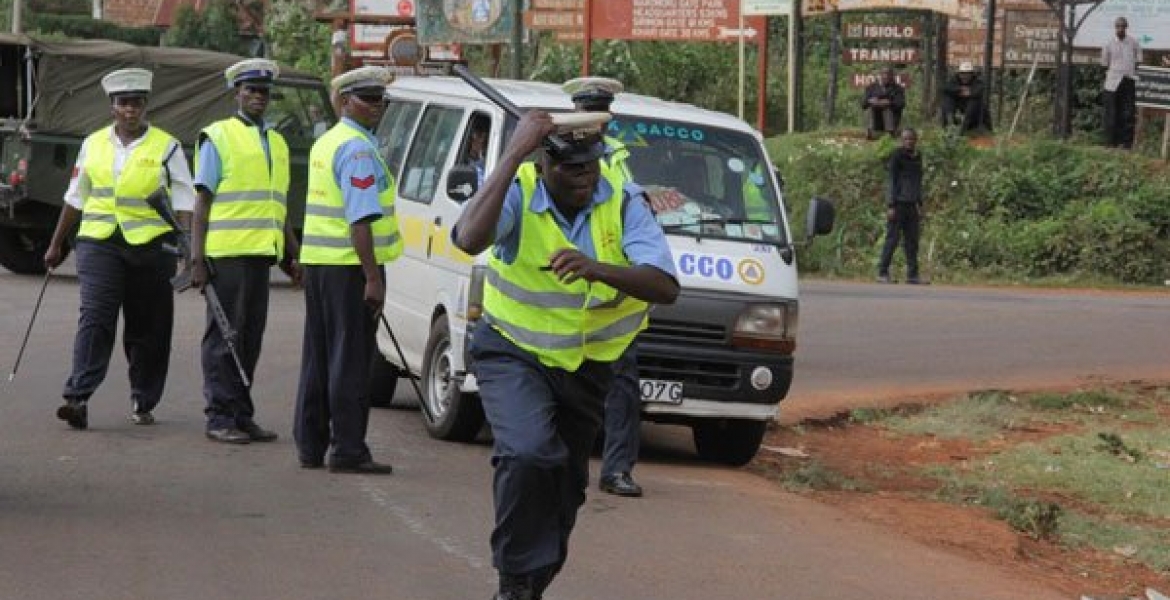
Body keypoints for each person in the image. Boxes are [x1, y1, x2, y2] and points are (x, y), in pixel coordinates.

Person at [452, 109, 679, 600]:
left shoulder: (622, 201)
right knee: (529, 452)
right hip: (513, 352)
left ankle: (530, 582)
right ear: (542, 164)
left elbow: (664, 285)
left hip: (589, 369)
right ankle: (513, 580)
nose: (585, 176)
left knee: (566, 486)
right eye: (571, 167)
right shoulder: (517, 190)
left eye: (591, 164)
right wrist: (513, 152)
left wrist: (597, 269)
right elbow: (469, 239)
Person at [43, 68, 196, 429]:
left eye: (137, 102)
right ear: (112, 106)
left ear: (146, 106)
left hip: (152, 247)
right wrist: (55, 244)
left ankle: (143, 399)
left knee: (149, 328)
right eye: (123, 103)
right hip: (99, 243)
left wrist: (188, 246)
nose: (130, 109)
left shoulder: (167, 146)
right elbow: (76, 197)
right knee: (96, 318)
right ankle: (77, 397)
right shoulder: (93, 144)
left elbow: (186, 199)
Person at [294, 65, 402, 474]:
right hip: (349, 268)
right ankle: (348, 449)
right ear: (344, 102)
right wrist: (373, 277)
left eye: (380, 100)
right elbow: (360, 219)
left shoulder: (328, 141)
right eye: (367, 99)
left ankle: (310, 443)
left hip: (322, 263)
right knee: (351, 361)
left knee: (319, 356)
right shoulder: (357, 149)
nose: (377, 107)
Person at [190, 58, 302, 444]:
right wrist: (196, 258)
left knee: (250, 338)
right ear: (236, 93)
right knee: (224, 337)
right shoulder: (217, 136)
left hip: (260, 255)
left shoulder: (277, 142)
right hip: (226, 255)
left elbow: (279, 204)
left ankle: (240, 412)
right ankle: (218, 416)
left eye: (264, 92)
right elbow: (202, 202)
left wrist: (293, 253)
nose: (258, 97)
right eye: (251, 90)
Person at [563, 75, 649, 498]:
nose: (597, 119)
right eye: (588, 110)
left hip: (611, 293)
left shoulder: (617, 157)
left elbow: (631, 208)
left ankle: (617, 469)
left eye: (603, 111)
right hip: (563, 290)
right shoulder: (552, 149)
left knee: (622, 387)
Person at [877, 128, 925, 285]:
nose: (909, 142)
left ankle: (913, 275)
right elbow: (891, 180)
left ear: (915, 140)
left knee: (912, 241)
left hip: (912, 204)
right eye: (906, 139)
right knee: (892, 239)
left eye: (911, 139)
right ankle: (882, 272)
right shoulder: (897, 156)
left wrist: (920, 203)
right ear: (901, 141)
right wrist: (890, 204)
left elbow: (918, 182)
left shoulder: (918, 157)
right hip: (898, 203)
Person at [1101, 16, 1142, 149]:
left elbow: (1139, 60)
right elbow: (1104, 64)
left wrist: (1130, 72)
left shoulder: (1133, 43)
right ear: (1115, 28)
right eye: (1118, 26)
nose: (1120, 29)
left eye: (1122, 26)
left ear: (1126, 27)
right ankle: (1110, 143)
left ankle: (1126, 144)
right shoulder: (1108, 44)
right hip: (1112, 83)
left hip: (1128, 80)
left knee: (1128, 113)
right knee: (1111, 114)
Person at [941, 62, 991, 134]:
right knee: (947, 99)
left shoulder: (977, 81)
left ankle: (963, 129)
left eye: (968, 74)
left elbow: (979, 90)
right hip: (957, 105)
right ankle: (949, 124)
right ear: (959, 74)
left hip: (973, 111)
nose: (965, 76)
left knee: (975, 100)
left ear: (972, 74)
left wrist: (970, 93)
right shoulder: (954, 79)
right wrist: (960, 90)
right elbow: (946, 88)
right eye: (963, 73)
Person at [860, 67, 905, 140]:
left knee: (886, 108)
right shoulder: (871, 87)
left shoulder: (898, 88)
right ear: (880, 75)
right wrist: (870, 101)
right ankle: (870, 133)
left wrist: (889, 103)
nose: (886, 76)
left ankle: (890, 134)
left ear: (892, 76)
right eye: (884, 74)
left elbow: (901, 104)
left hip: (891, 118)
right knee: (870, 108)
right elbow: (863, 104)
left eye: (888, 74)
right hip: (875, 117)